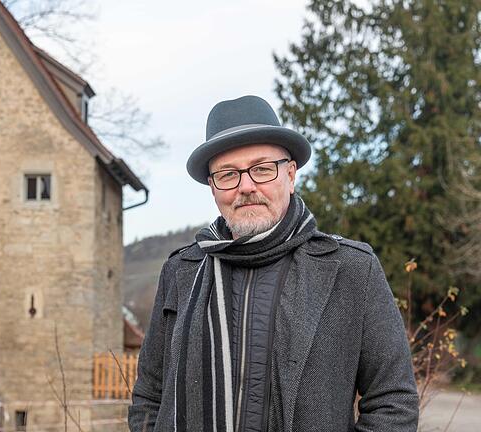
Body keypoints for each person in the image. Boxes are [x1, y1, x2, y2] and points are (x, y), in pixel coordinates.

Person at [127, 96, 418, 432]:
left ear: (290, 175)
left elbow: (393, 401)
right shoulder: (182, 272)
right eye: (227, 174)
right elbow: (149, 396)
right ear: (213, 187)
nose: (246, 187)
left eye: (262, 169)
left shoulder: (351, 269)